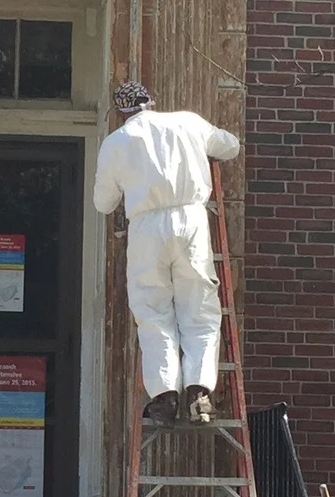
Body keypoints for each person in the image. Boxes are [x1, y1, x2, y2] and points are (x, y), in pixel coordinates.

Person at [91, 79, 238, 425]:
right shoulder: (187, 121)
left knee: (153, 312)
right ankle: (199, 394)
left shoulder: (116, 142)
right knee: (199, 309)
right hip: (192, 221)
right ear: (151, 102)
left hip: (146, 227)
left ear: (121, 112)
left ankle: (164, 396)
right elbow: (230, 146)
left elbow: (102, 202)